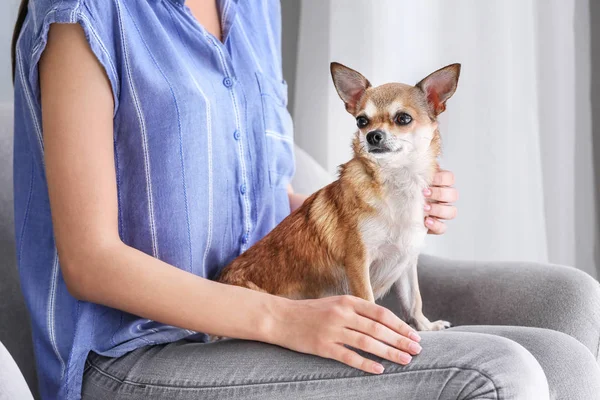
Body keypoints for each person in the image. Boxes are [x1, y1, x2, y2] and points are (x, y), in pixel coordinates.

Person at [10, 0, 600, 399]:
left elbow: (257, 198)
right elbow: (89, 261)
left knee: (567, 336)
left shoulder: (253, 8)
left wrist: (387, 199)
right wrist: (283, 320)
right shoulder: (84, 15)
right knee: (500, 374)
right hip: (141, 353)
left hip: (280, 291)